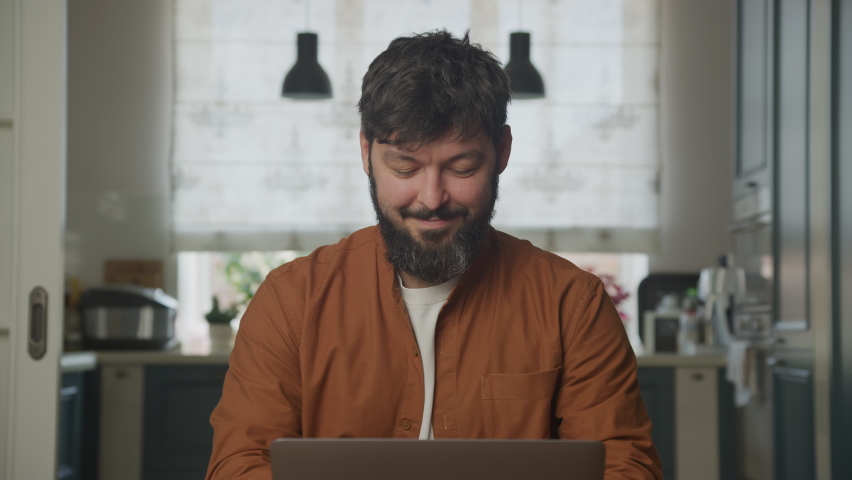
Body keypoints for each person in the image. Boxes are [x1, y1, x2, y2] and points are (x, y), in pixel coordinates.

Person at [206, 30, 662, 480]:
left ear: (502, 151)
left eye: (462, 167)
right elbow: (238, 464)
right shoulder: (291, 301)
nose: (432, 198)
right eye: (404, 167)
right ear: (366, 152)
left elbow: (625, 467)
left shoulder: (571, 305)